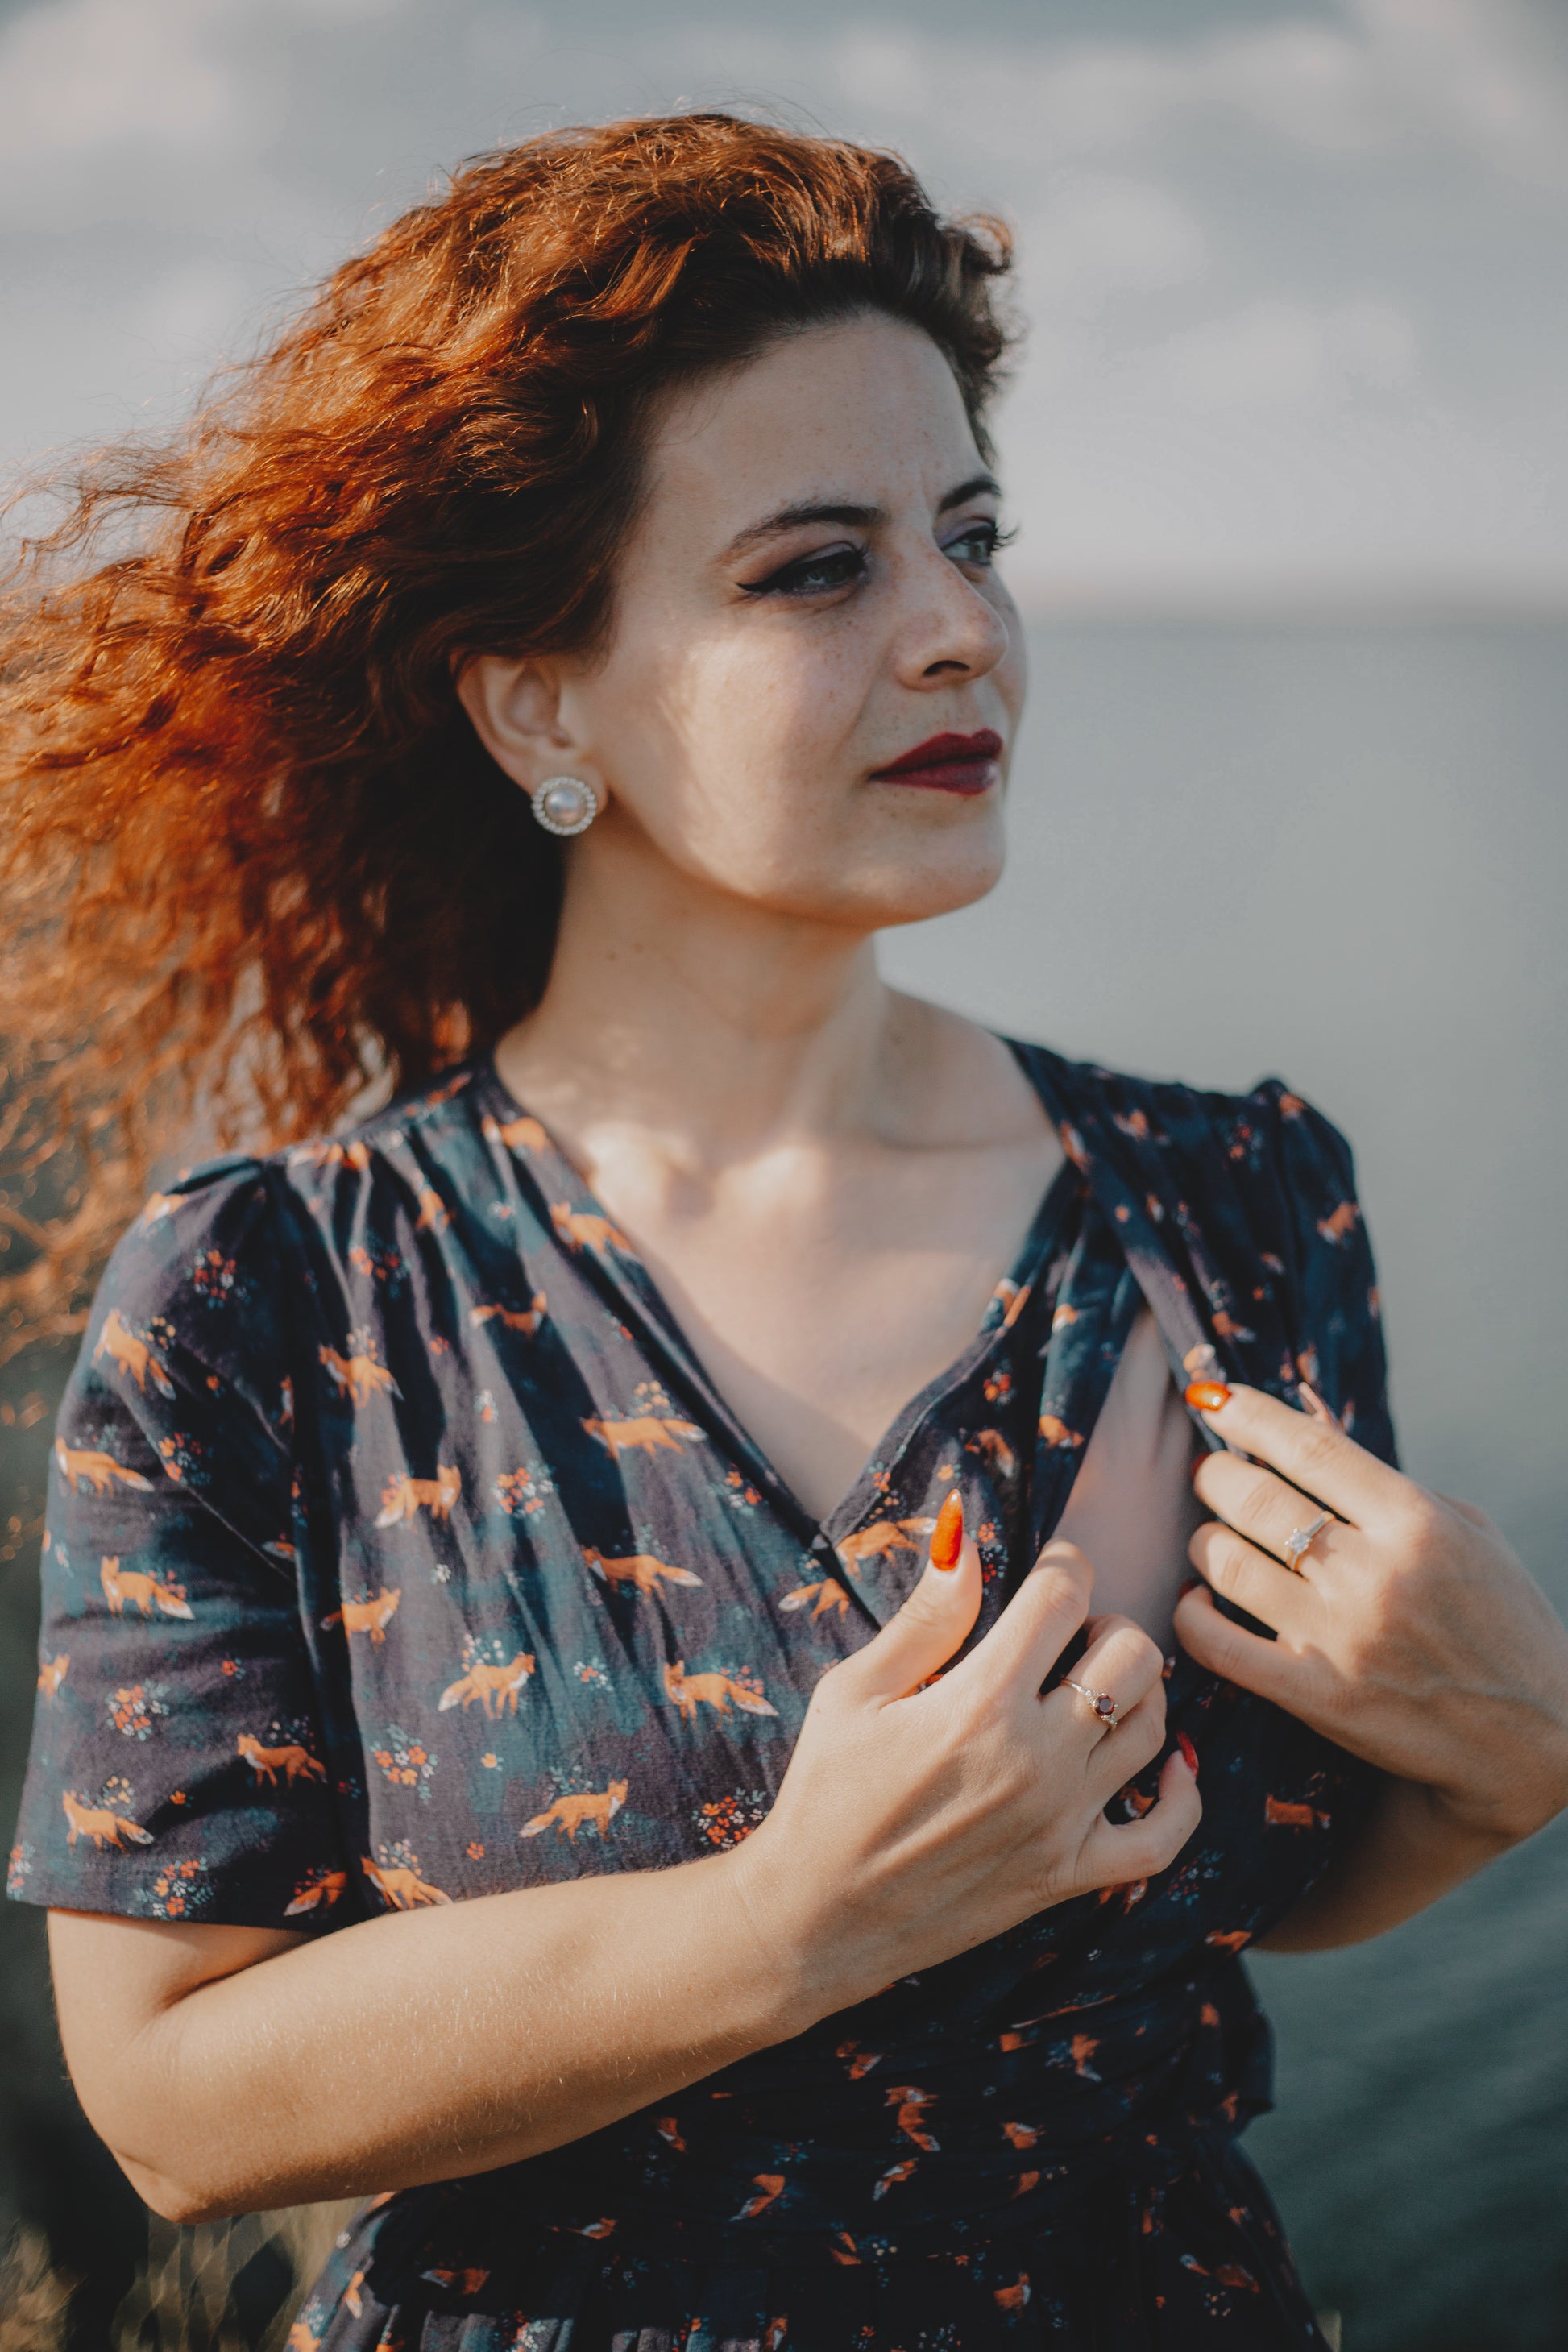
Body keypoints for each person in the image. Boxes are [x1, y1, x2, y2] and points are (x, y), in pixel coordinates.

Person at [6, 115, 1567, 2352]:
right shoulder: (275, 1300)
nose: (960, 631)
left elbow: (1242, 1882)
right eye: (818, 569)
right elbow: (171, 2099)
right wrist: (787, 1923)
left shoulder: (1229, 1205)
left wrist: (1507, 1768)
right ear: (539, 699)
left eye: (973, 537)